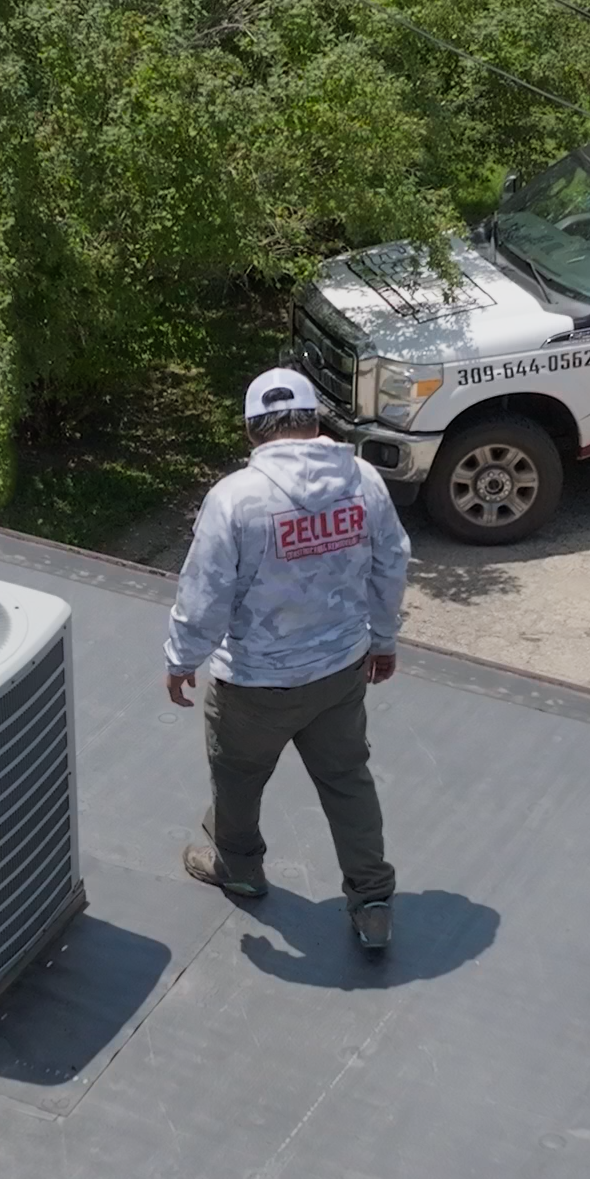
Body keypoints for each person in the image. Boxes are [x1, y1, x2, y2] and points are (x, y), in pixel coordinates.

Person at [166, 367, 413, 952]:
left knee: (238, 776)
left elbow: (205, 592)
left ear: (253, 430)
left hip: (256, 683)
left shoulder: (236, 499)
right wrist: (382, 640)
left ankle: (241, 869)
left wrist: (183, 658)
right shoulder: (364, 479)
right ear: (314, 421)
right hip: (341, 670)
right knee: (347, 781)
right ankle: (373, 899)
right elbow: (391, 564)